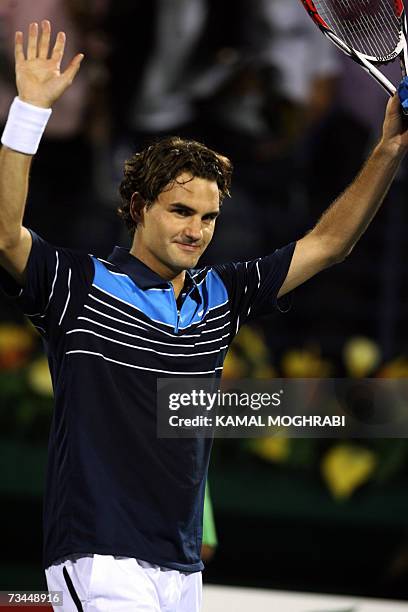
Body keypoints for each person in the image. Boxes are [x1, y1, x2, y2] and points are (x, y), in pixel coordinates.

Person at [0, 21, 407, 612]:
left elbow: (329, 244)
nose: (196, 231)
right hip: (100, 556)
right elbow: (6, 236)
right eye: (180, 211)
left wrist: (391, 147)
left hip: (182, 569)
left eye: (209, 218)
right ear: (138, 208)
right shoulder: (78, 286)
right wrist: (29, 113)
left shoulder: (223, 293)